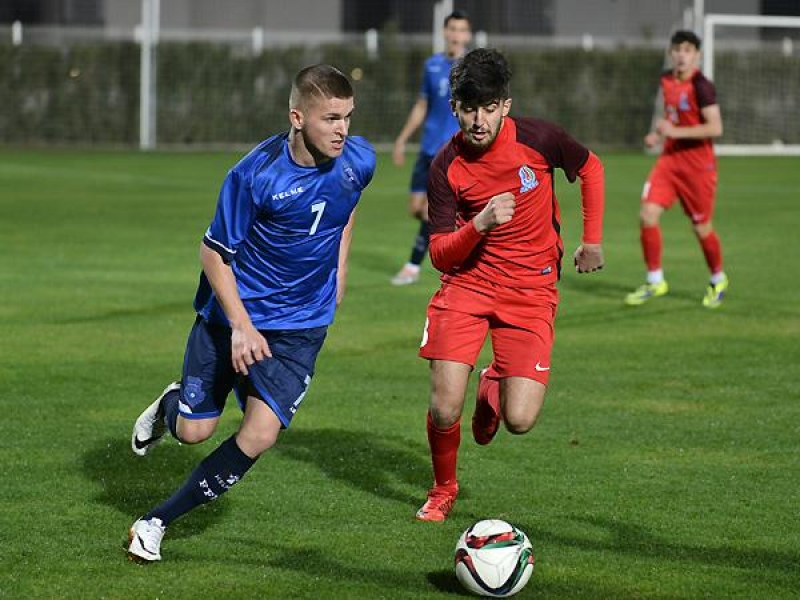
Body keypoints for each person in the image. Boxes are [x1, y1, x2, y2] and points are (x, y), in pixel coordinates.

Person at [126, 64, 375, 561]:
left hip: (302, 326)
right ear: (297, 117)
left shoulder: (358, 159)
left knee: (259, 435)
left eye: (347, 117)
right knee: (194, 432)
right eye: (331, 118)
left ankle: (154, 522)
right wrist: (241, 326)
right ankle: (173, 406)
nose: (343, 130)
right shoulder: (254, 174)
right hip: (233, 320)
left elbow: (347, 208)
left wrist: (340, 271)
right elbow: (214, 253)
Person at [415, 48, 605, 522]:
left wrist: (592, 241)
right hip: (467, 285)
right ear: (454, 108)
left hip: (531, 290)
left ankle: (491, 389)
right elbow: (439, 252)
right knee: (443, 406)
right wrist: (478, 224)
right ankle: (443, 489)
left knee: (519, 420)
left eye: (489, 107)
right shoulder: (445, 166)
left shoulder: (540, 139)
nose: (479, 120)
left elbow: (591, 169)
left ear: (506, 105)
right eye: (469, 108)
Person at [625, 30, 727, 308]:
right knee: (647, 214)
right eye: (677, 50)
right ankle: (655, 280)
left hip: (698, 167)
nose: (681, 55)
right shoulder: (667, 79)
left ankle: (718, 278)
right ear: (671, 53)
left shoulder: (702, 86)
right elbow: (669, 115)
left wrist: (675, 132)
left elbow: (715, 127)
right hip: (669, 162)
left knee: (701, 227)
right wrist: (657, 136)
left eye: (687, 50)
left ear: (697, 55)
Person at [390, 11, 472, 286]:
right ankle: (458, 233)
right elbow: (422, 105)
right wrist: (402, 138)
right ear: (445, 32)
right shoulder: (433, 65)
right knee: (416, 208)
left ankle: (413, 265)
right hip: (426, 149)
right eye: (452, 29)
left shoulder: (472, 68)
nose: (456, 34)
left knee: (429, 211)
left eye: (461, 30)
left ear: (467, 35)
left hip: (451, 152)